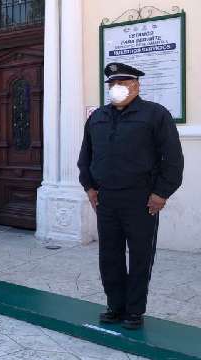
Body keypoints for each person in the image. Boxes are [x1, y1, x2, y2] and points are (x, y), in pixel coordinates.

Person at [78, 62, 184, 330]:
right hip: (106, 199)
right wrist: (89, 187)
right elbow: (85, 156)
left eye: (123, 84)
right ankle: (115, 305)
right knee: (109, 255)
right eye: (112, 85)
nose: (116, 89)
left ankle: (134, 311)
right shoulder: (98, 117)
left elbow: (172, 158)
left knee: (140, 256)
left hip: (141, 199)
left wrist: (161, 193)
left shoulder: (155, 115)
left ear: (136, 86)